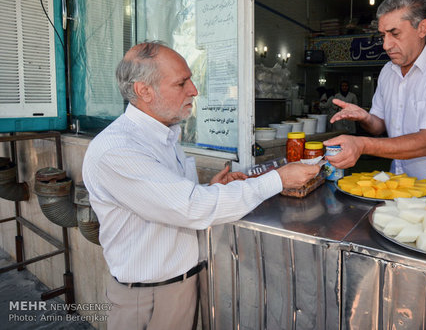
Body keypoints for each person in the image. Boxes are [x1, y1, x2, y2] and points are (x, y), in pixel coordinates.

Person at [82, 42, 319, 329]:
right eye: (181, 83)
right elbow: (191, 208)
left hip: (178, 286)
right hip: (150, 298)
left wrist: (208, 187)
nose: (194, 90)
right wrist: (279, 178)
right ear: (144, 91)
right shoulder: (118, 149)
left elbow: (170, 199)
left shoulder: (163, 134)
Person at [324, 0, 426, 194]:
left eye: (395, 34)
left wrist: (361, 145)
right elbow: (379, 126)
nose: (386, 45)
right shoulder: (388, 71)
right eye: (383, 35)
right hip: (398, 186)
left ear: (422, 28)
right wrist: (365, 117)